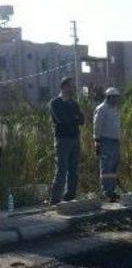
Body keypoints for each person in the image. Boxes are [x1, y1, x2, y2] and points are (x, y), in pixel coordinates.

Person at [49, 76, 85, 204]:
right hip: (62, 140)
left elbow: (82, 120)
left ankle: (70, 197)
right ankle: (55, 200)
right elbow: (61, 120)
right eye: (70, 85)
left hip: (75, 139)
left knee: (73, 171)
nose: (72, 88)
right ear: (63, 87)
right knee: (61, 170)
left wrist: (73, 118)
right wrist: (74, 118)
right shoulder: (55, 103)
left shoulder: (74, 103)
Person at [93, 87, 121, 202]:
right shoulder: (102, 109)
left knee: (113, 166)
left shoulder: (114, 109)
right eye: (114, 97)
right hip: (105, 140)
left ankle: (112, 190)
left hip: (115, 141)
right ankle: (106, 191)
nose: (116, 100)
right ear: (109, 97)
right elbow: (97, 126)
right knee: (106, 166)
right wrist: (97, 141)